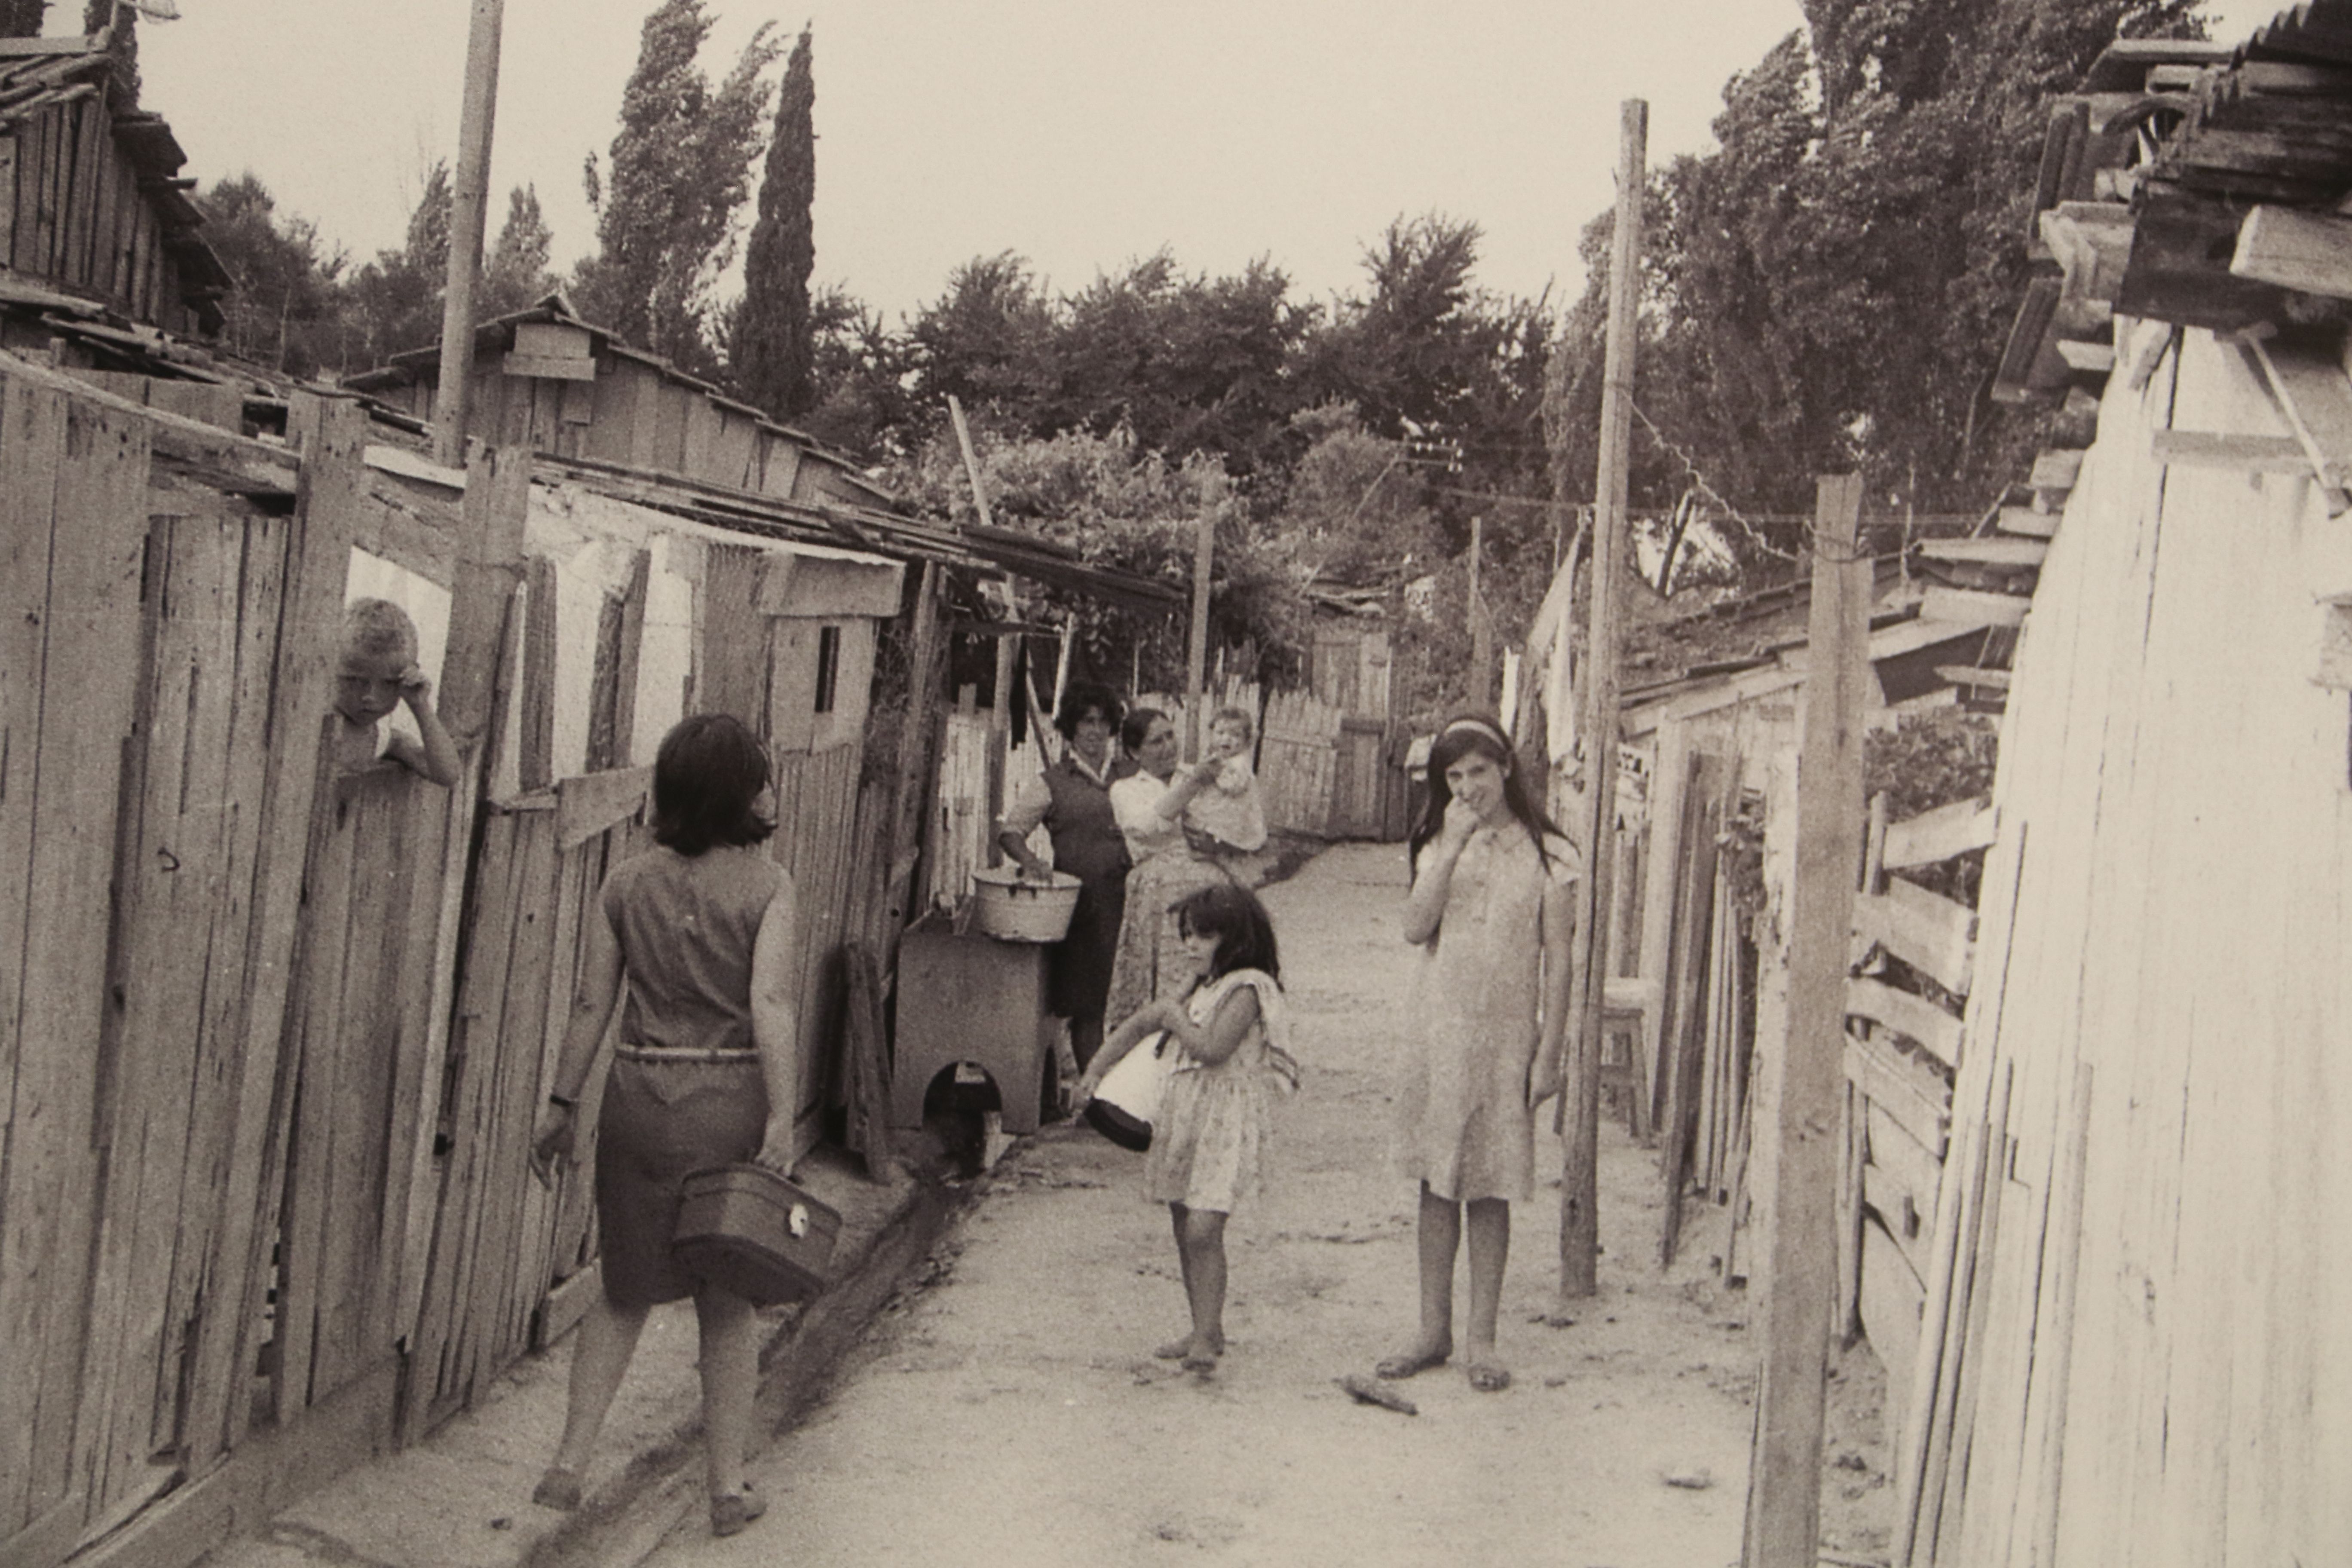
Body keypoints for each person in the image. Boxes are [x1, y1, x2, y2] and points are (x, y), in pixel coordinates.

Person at [527, 713, 797, 1538]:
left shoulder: (625, 883)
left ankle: (567, 1466)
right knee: (726, 1303)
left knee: (621, 1290)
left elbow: (589, 1004)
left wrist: (561, 1102)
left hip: (638, 1096)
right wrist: (784, 1114)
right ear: (738, 793)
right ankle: (725, 1485)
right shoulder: (769, 886)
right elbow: (771, 1004)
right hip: (726, 1102)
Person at [1378, 714, 1578, 1395]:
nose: (1468, 788)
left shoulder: (1551, 853)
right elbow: (1413, 928)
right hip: (1440, 1032)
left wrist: (1549, 1055)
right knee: (1437, 1181)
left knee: (1491, 1185)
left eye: (1479, 773)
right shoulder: (1438, 840)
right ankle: (1432, 1329)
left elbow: (1560, 964)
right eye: (1454, 777)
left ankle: (1482, 1340)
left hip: (1505, 1039)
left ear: (1508, 770)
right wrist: (1454, 844)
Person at [1074, 880, 1294, 1375]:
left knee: (1203, 1227)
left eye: (1202, 936)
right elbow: (1140, 1025)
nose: (1190, 946)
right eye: (1187, 936)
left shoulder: (1248, 988)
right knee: (1183, 1221)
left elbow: (1214, 1049)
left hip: (1224, 1119)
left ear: (1236, 939)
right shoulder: (1198, 986)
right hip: (1186, 1114)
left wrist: (1174, 1018)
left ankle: (1207, 1330)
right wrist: (1094, 1072)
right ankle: (1205, 1327)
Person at [995, 683, 1130, 1074]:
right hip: (1085, 909)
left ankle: (1131, 1096)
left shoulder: (1131, 774)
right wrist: (1033, 863)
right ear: (1071, 728)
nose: (1095, 730)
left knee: (1136, 1000)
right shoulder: (1052, 782)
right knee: (1089, 1004)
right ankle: (1098, 1097)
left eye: (1103, 722)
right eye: (1087, 721)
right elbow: (1011, 832)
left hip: (1134, 904)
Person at [1103, 709, 1253, 1026]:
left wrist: (1221, 843)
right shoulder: (1126, 789)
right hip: (1159, 900)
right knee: (1164, 985)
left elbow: (1245, 823)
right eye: (1156, 741)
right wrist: (1194, 785)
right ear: (1134, 751)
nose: (1169, 746)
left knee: (1215, 976)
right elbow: (1146, 826)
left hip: (1210, 892)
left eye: (1171, 736)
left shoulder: (1206, 773)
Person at [332, 597, 458, 785]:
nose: (370, 696)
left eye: (389, 684)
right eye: (354, 680)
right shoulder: (314, 724)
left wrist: (420, 705)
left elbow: (448, 775)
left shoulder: (382, 737)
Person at [1180, 706, 1267, 861]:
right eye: (1221, 733)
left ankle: (1220, 851)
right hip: (1220, 806)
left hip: (1234, 811)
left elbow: (1235, 786)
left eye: (1235, 735)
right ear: (1212, 735)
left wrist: (1217, 776)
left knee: (1221, 830)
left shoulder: (1239, 764)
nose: (1226, 739)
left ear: (1246, 741)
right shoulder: (1219, 758)